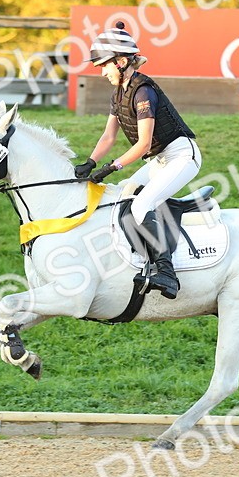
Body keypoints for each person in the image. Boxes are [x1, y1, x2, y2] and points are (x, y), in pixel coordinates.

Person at [75, 22, 200, 300]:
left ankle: (167, 273)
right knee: (126, 193)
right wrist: (91, 162)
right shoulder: (118, 93)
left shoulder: (144, 91)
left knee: (143, 203)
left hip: (182, 156)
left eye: (104, 65)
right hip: (159, 161)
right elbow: (108, 136)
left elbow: (143, 143)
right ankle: (141, 256)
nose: (102, 71)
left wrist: (111, 167)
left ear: (121, 62)